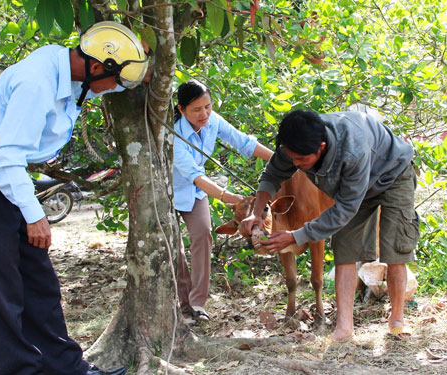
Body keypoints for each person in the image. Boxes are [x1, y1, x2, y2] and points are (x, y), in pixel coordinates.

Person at [0, 21, 149, 375]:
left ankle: (69, 368)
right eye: (113, 82)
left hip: (9, 179)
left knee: (39, 282)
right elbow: (7, 156)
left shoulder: (67, 72)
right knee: (0, 290)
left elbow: (103, 84)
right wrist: (34, 215)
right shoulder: (36, 83)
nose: (111, 91)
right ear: (94, 67)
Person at [242, 109, 419, 341]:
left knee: (394, 247)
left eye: (301, 160)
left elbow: (345, 209)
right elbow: (273, 174)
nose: (295, 164)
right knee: (344, 248)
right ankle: (344, 328)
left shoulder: (352, 150)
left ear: (321, 147)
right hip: (353, 189)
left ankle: (397, 319)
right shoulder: (296, 144)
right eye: (292, 157)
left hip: (392, 175)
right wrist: (257, 213)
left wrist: (296, 236)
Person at [173, 80, 273, 325]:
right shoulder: (174, 135)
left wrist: (281, 161)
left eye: (207, 106)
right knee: (173, 248)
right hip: (169, 190)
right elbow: (195, 175)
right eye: (196, 110)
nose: (204, 114)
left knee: (203, 235)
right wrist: (229, 198)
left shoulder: (213, 120)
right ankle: (183, 307)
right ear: (181, 109)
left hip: (196, 192)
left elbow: (244, 143)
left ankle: (198, 304)